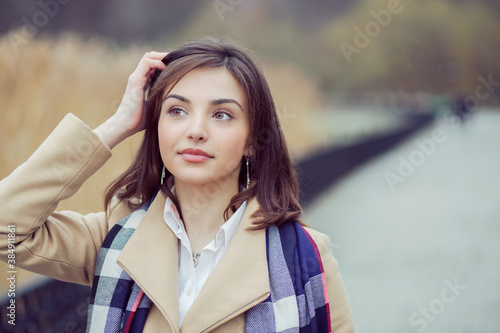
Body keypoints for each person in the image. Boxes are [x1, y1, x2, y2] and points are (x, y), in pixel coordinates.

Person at [0, 37, 355, 332]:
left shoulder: (302, 255)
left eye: (221, 115)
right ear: (155, 127)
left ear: (252, 139)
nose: (195, 130)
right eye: (176, 111)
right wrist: (118, 124)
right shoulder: (118, 237)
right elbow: (6, 226)